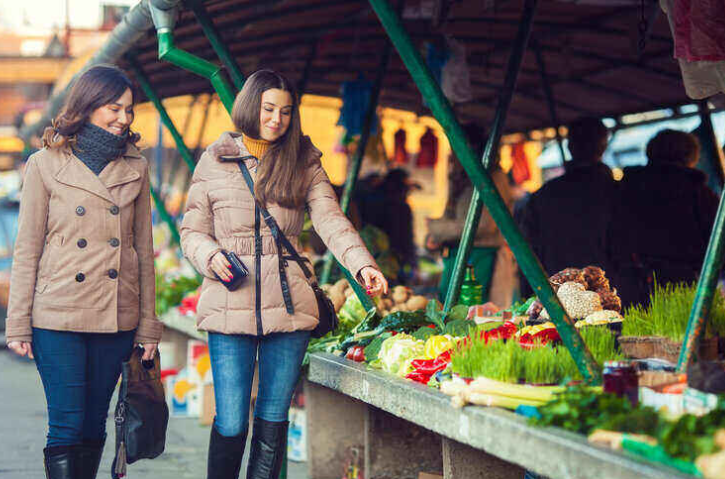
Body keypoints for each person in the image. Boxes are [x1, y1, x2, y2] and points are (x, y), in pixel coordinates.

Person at [180, 70, 388, 479]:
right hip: (229, 302)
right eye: (268, 109)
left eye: (286, 112)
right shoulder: (215, 159)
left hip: (289, 306)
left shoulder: (304, 160)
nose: (276, 119)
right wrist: (209, 256)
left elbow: (331, 220)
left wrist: (362, 262)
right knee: (232, 420)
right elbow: (192, 230)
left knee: (273, 419)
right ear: (249, 106)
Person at [5, 65, 161, 479]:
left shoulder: (137, 166)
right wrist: (17, 323)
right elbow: (27, 249)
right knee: (67, 424)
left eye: (129, 110)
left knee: (94, 425)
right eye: (114, 108)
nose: (124, 118)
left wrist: (149, 325)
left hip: (116, 317)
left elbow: (143, 251)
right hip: (58, 316)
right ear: (88, 107)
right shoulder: (44, 164)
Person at [608, 129, 719, 309]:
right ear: (690, 156)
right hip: (683, 282)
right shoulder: (697, 192)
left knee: (637, 335)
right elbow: (716, 243)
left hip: (632, 284)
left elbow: (613, 237)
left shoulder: (625, 189)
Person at [519, 117, 617, 295]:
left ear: (570, 146)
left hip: (557, 297)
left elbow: (528, 253)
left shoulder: (543, 195)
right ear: (603, 146)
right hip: (609, 295)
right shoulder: (616, 192)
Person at [426, 123, 516, 307]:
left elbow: (484, 225)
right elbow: (449, 216)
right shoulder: (460, 179)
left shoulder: (494, 177)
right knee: (448, 313)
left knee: (472, 314)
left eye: (456, 150)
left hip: (479, 256)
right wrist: (433, 236)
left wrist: (437, 230)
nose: (451, 157)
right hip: (456, 254)